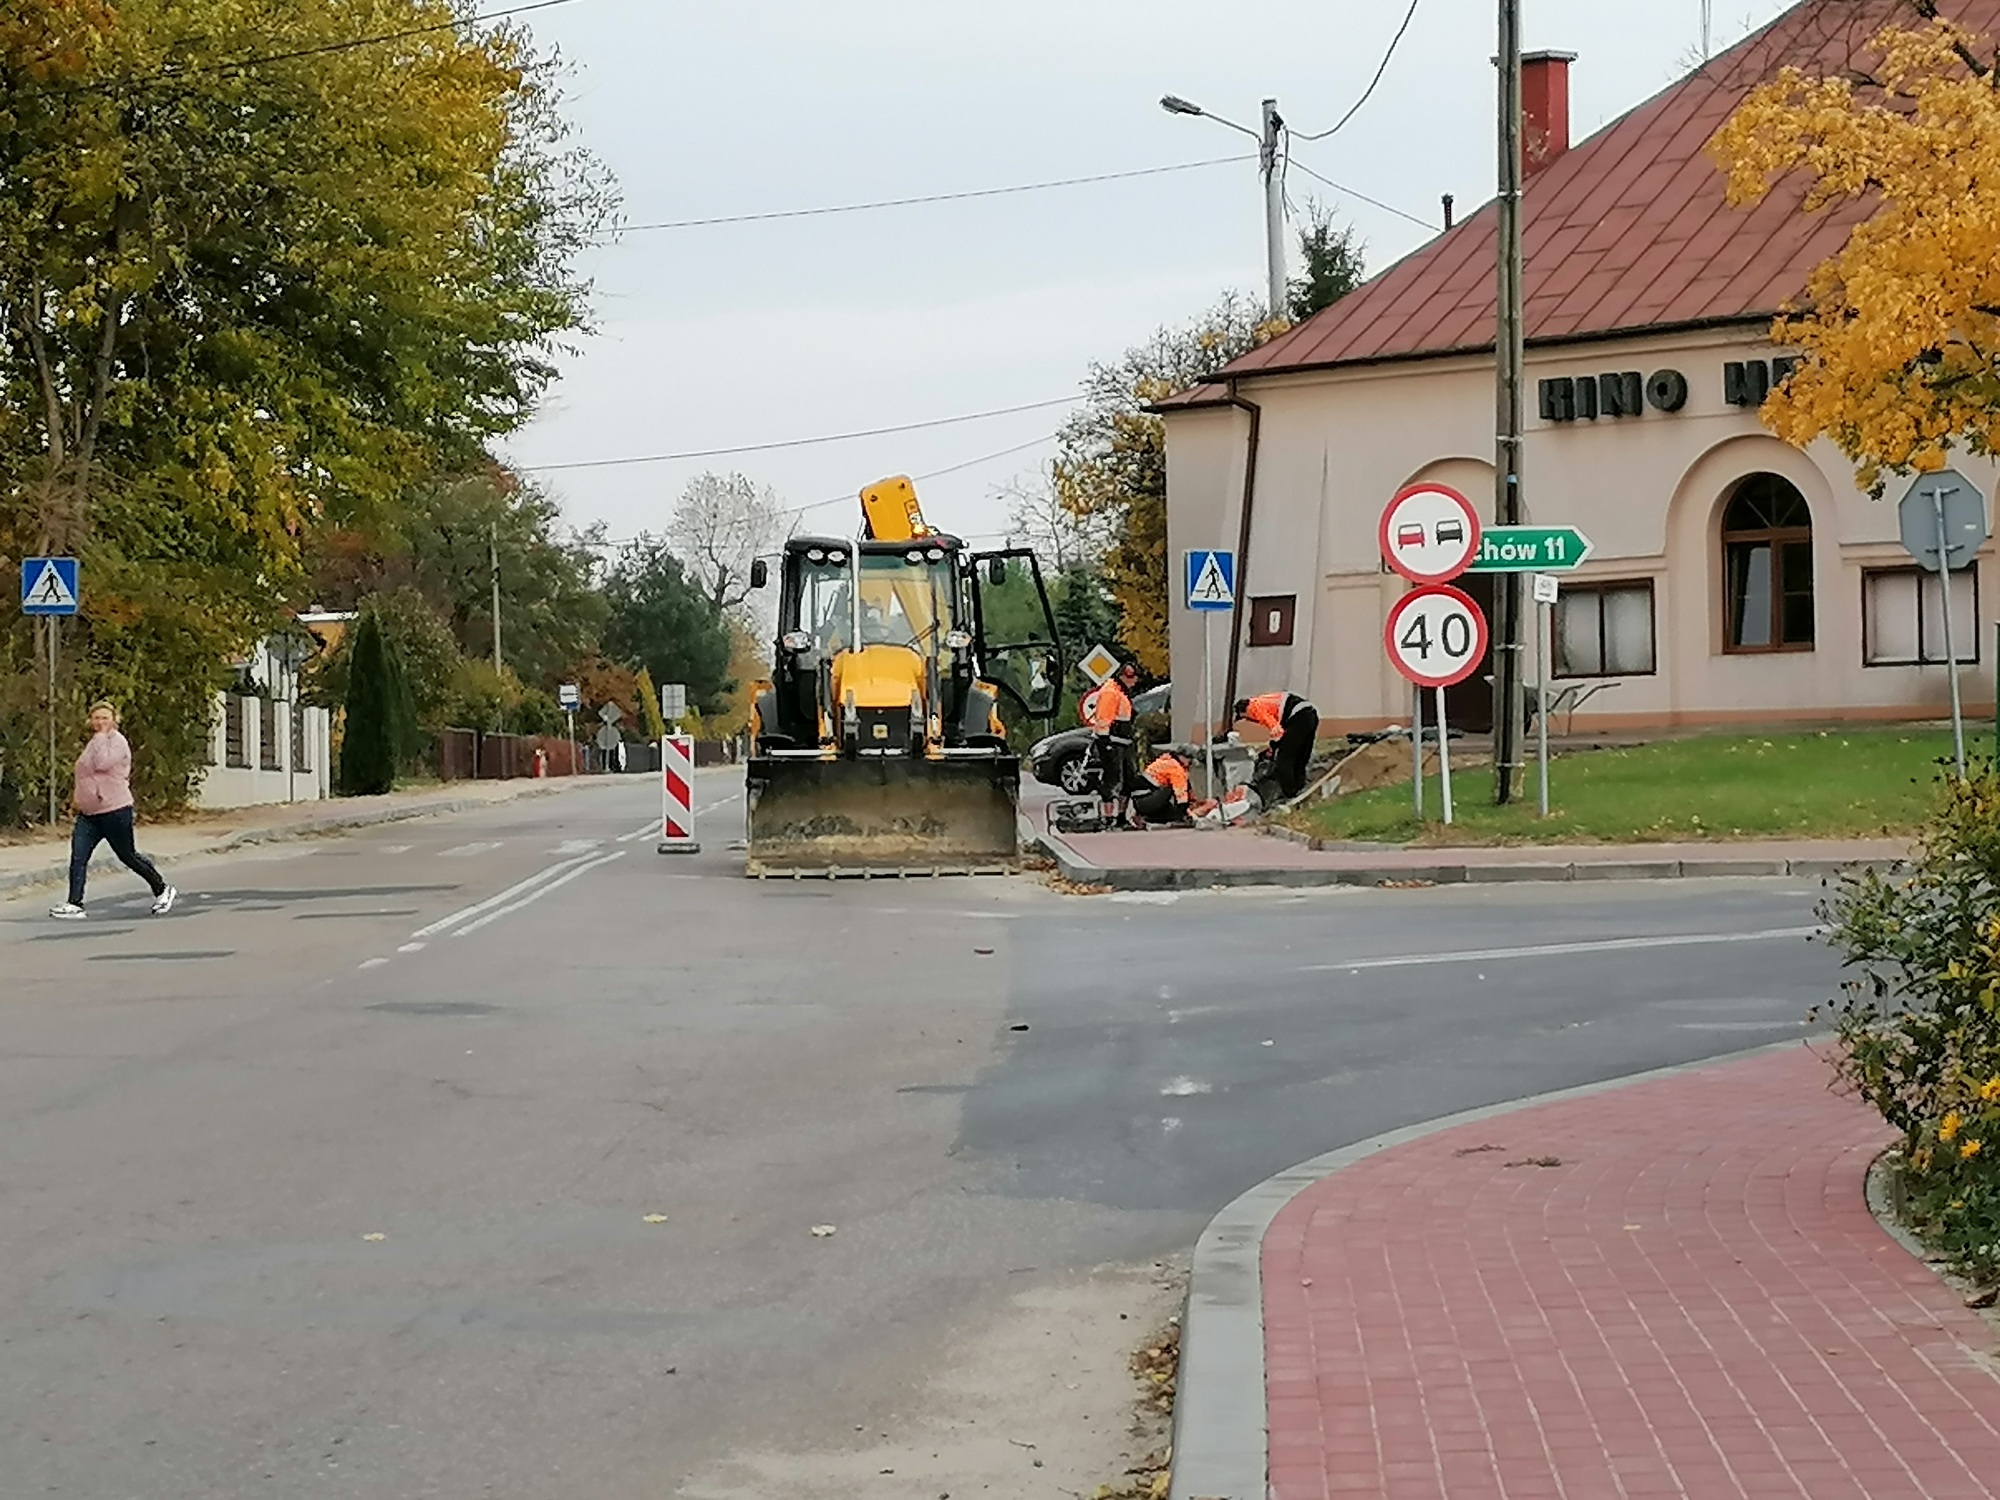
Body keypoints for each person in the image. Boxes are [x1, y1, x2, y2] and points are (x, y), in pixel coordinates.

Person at [49, 701, 176, 921]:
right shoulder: (93, 743)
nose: (99, 722)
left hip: (114, 810)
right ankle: (74, 903)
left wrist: (101, 737)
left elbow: (102, 764)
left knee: (127, 855)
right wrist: (78, 799)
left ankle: (162, 889)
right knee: (79, 857)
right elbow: (85, 773)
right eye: (96, 718)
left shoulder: (118, 742)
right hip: (89, 814)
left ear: (114, 720)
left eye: (104, 718)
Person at [1230, 690, 1321, 801]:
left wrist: (1274, 747)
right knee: (1301, 754)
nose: (1250, 721)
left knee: (1284, 760)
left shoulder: (1254, 708)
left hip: (1298, 716)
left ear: (1244, 712)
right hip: (1310, 714)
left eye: (1245, 718)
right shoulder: (1263, 701)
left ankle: (1290, 793)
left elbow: (1276, 730)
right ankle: (1300, 787)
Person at [1088, 661, 1140, 823]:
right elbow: (1104, 719)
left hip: (1123, 743)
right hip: (1113, 743)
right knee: (1112, 780)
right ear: (1125, 677)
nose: (1135, 682)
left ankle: (1120, 816)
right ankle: (1108, 817)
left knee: (1128, 780)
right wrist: (1105, 743)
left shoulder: (1119, 691)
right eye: (1133, 678)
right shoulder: (1111, 692)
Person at [1131, 747, 1207, 826]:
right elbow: (1181, 793)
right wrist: (1185, 810)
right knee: (1169, 792)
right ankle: (1151, 817)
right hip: (1145, 801)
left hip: (1140, 800)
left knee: (1172, 809)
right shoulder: (1175, 768)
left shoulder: (1166, 761)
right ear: (1182, 757)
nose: (1190, 763)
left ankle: (1147, 818)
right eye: (1190, 760)